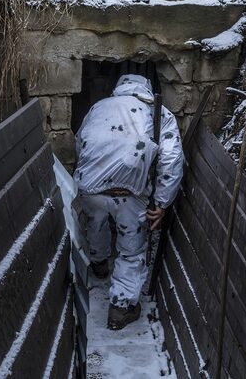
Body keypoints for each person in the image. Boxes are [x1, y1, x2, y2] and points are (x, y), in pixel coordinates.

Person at [74, 74, 183, 330]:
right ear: (144, 88)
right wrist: (162, 202)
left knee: (96, 222)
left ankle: (99, 262)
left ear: (119, 88)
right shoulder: (157, 112)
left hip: (90, 186)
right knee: (131, 249)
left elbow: (81, 142)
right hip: (129, 191)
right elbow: (171, 156)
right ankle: (121, 309)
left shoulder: (97, 108)